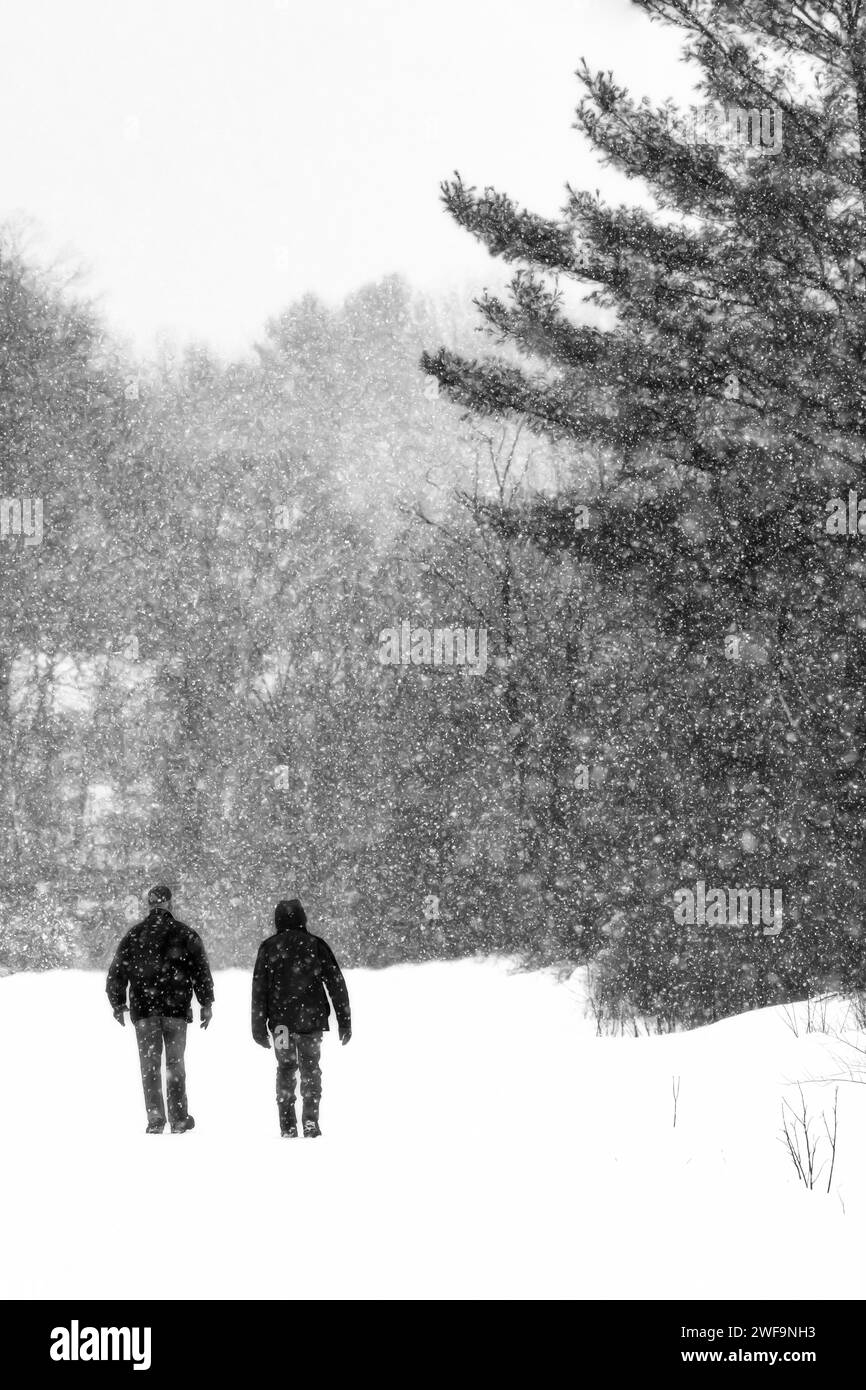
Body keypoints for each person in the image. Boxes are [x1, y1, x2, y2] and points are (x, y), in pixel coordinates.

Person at [106, 885, 214, 1134]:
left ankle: (155, 1119)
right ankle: (178, 1118)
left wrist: (118, 1004)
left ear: (149, 904)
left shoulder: (135, 935)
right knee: (175, 1065)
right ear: (170, 904)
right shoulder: (184, 934)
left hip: (144, 1011)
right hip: (175, 1009)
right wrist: (206, 1003)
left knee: (149, 1066)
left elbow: (117, 973)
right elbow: (200, 971)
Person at [251, 898, 351, 1138]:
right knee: (310, 1068)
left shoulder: (268, 948)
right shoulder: (315, 945)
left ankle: (287, 1124)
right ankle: (310, 1121)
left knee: (285, 1068)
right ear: (302, 918)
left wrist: (258, 1026)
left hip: (281, 1024)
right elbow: (336, 984)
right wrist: (344, 1020)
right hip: (311, 1021)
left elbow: (259, 989)